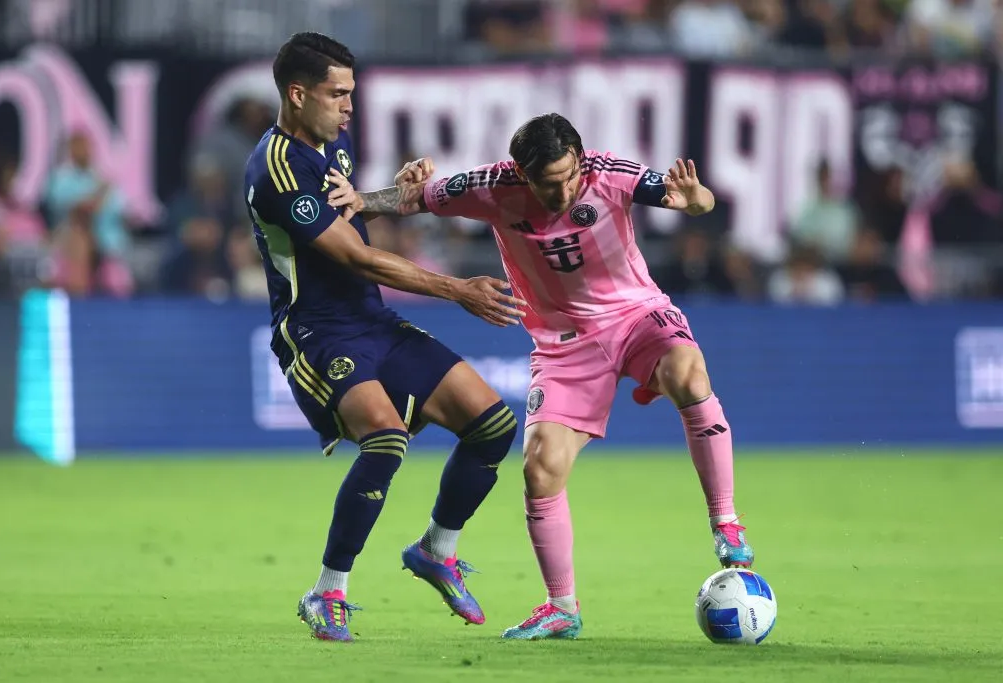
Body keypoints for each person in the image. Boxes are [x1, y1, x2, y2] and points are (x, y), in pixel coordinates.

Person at [333, 113, 755, 641]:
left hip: (636, 317)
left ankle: (726, 524)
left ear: (582, 158)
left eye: (568, 177)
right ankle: (561, 607)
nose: (560, 192)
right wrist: (359, 200)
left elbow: (694, 202)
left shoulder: (614, 175)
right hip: (563, 347)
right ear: (521, 173)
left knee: (689, 374)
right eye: (545, 183)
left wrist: (697, 200)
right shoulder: (490, 187)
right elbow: (415, 198)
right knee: (540, 467)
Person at [244, 32, 525, 642]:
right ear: (297, 94)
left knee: (494, 426)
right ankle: (328, 592)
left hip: (370, 321)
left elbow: (346, 213)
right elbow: (358, 259)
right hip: (316, 332)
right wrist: (459, 290)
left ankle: (436, 550)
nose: (349, 106)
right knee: (385, 439)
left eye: (351, 92)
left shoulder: (331, 144)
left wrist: (398, 191)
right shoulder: (277, 168)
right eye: (336, 94)